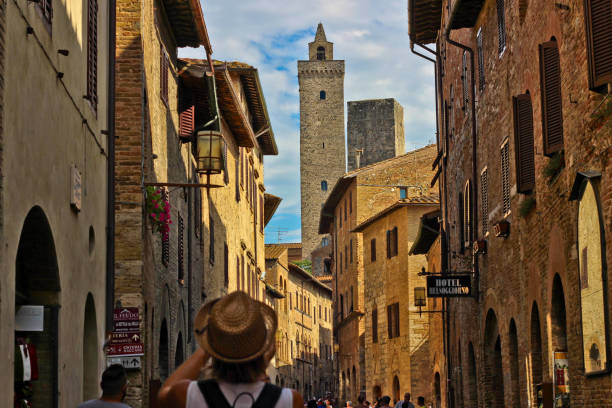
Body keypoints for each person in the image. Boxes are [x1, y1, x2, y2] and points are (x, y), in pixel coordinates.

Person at [158, 291, 304, 407]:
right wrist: (262, 365)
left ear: (212, 346)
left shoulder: (188, 395)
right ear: (263, 346)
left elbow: (163, 395)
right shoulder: (290, 401)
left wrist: (206, 348)